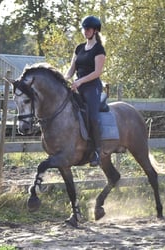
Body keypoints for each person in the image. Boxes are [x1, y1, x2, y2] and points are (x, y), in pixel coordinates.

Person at [64, 15, 106, 166]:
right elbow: (71, 69)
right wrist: (64, 78)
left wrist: (80, 81)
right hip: (76, 85)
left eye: (88, 29)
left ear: (95, 31)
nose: (85, 31)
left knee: (93, 117)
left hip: (91, 87)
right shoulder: (79, 48)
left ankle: (96, 151)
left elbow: (97, 72)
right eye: (84, 29)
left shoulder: (99, 49)